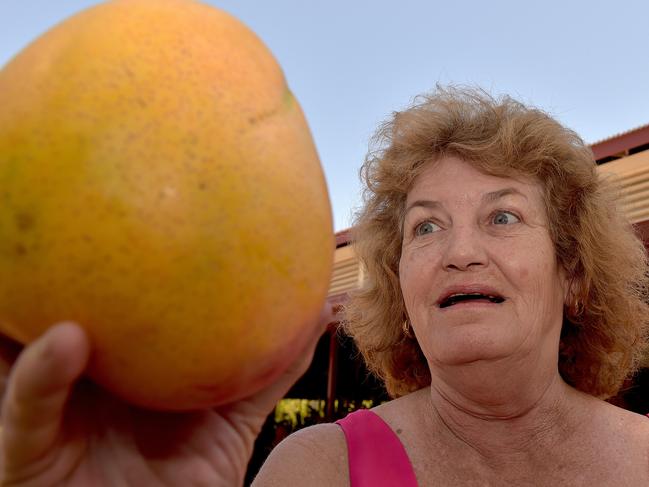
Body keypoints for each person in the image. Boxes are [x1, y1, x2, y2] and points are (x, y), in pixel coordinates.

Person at [1, 87, 648, 486]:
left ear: (572, 272)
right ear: (401, 290)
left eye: (501, 216)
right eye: (425, 228)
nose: (457, 252)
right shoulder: (316, 469)